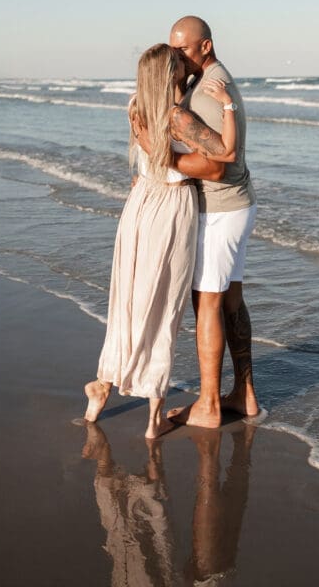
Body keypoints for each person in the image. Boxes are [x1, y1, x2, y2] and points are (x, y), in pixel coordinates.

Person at [83, 42, 238, 438]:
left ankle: (101, 385)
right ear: (171, 75)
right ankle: (153, 417)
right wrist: (229, 107)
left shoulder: (135, 104)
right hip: (171, 207)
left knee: (128, 303)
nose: (186, 68)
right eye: (179, 65)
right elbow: (224, 155)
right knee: (163, 306)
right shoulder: (176, 117)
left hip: (139, 205)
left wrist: (157, 157)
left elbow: (144, 158)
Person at [164, 16, 261, 428]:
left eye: (183, 50)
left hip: (221, 210)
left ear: (205, 46)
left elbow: (217, 166)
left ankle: (207, 405)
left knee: (207, 303)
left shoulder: (205, 91)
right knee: (230, 300)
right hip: (235, 206)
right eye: (172, 49)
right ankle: (244, 394)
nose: (176, 57)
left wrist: (165, 163)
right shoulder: (209, 80)